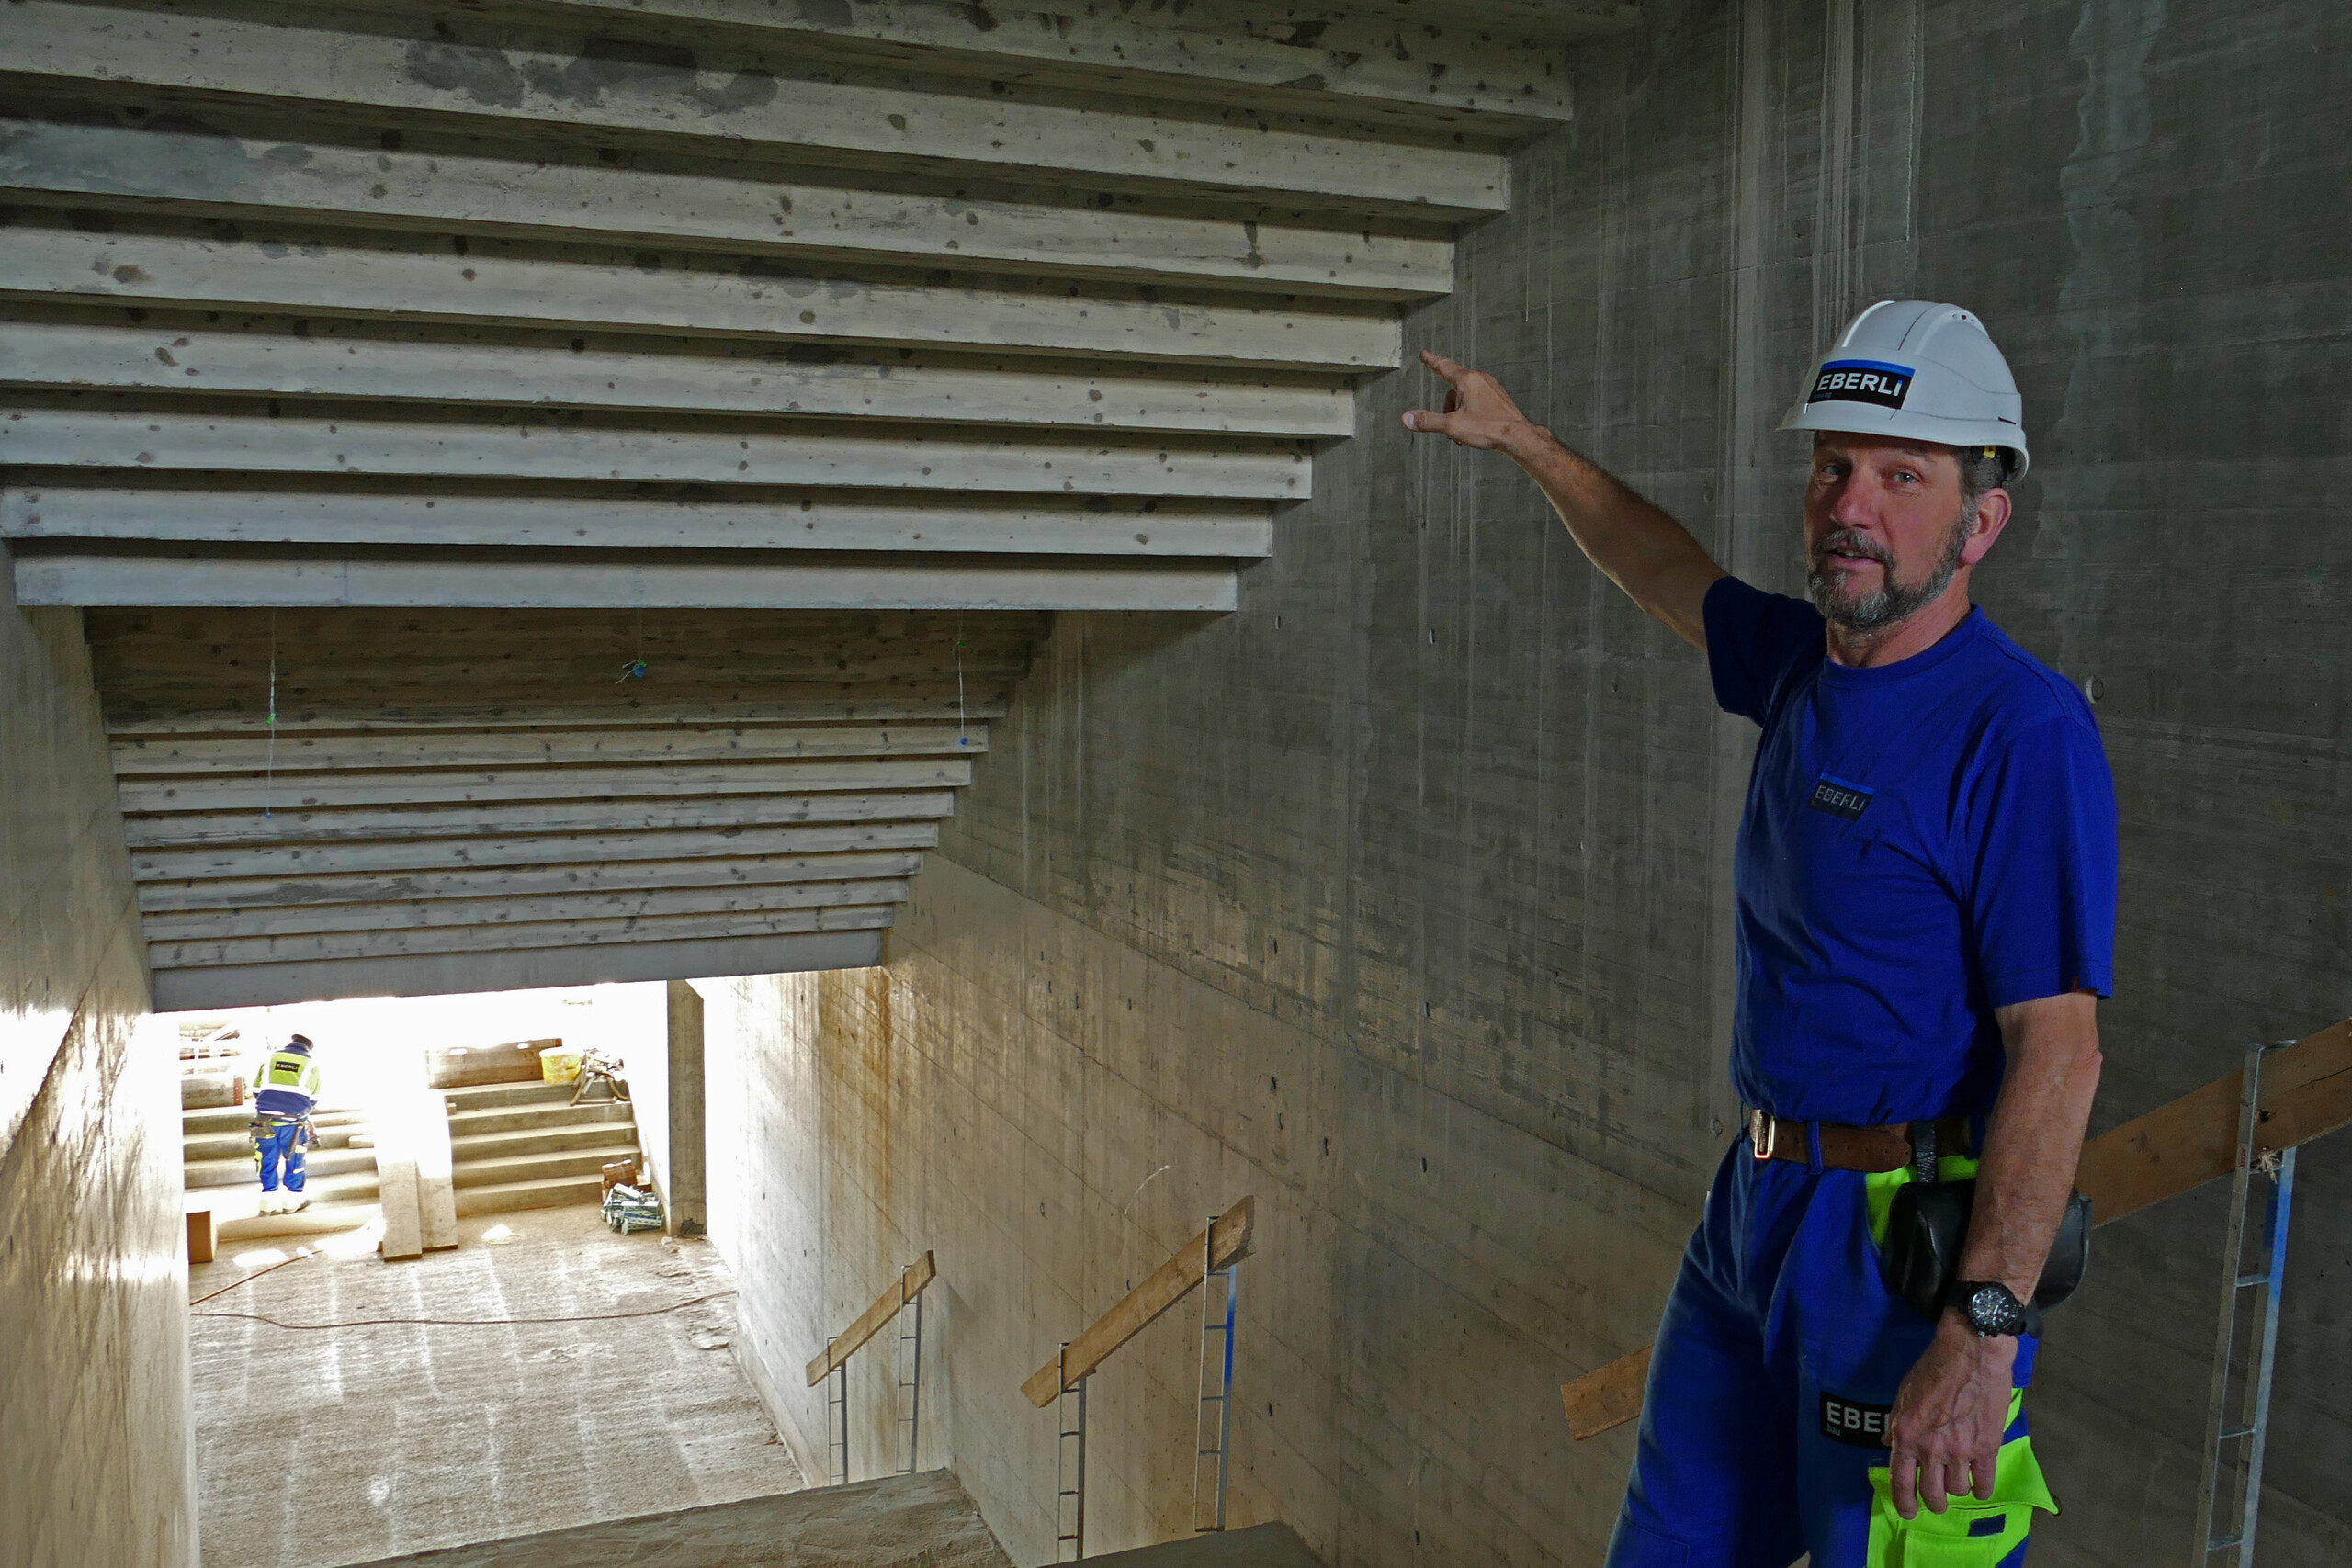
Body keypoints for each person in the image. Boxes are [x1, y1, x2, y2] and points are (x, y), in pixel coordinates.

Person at [1403, 301, 2115, 1567]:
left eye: (1904, 476)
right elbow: (1661, 564)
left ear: (1980, 519)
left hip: (1905, 1249)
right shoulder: (1803, 662)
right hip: (1757, 1205)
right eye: (1835, 465)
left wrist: (1981, 1328)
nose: (1854, 502)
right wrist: (1523, 440)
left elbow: (2059, 1050)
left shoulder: (2020, 732)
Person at [250, 1033, 322, 1214]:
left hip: (264, 1120)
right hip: (293, 1122)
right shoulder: (311, 1064)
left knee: (265, 1159)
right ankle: (292, 1200)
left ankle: (267, 1200)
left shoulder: (270, 1059)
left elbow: (256, 1089)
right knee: (295, 1159)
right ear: (309, 1048)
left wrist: (270, 1106)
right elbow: (314, 1098)